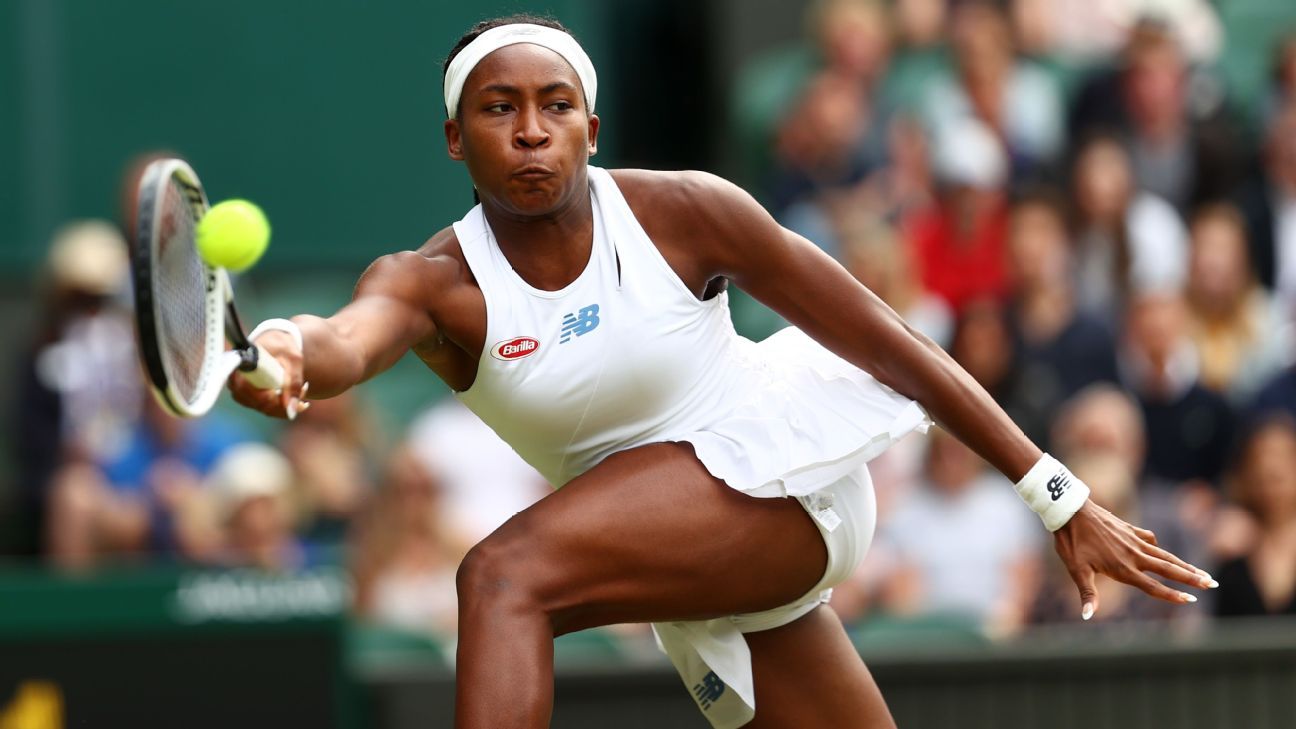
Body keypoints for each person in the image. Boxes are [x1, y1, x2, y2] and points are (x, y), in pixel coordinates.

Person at [228, 15, 1213, 729]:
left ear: (591, 130)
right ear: (455, 139)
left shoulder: (687, 211)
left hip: (782, 477)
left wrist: (1053, 492)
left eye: (555, 106)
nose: (530, 129)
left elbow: (891, 341)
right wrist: (279, 350)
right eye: (499, 108)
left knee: (502, 577)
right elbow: (340, 340)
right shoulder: (431, 283)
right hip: (688, 554)